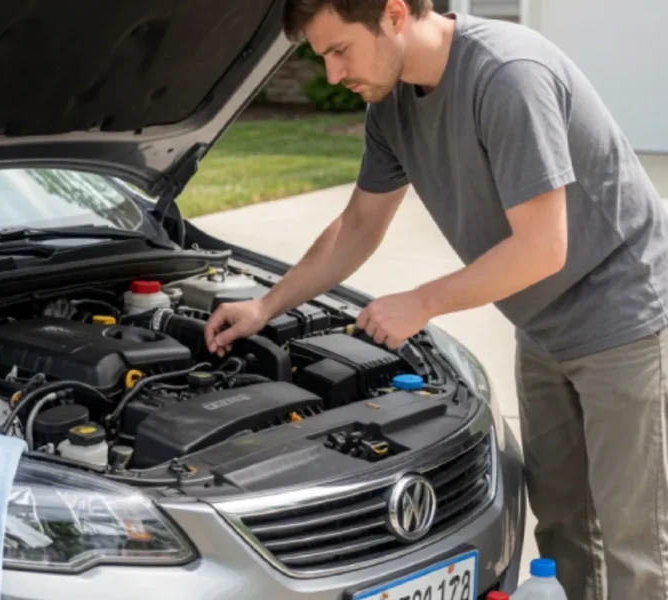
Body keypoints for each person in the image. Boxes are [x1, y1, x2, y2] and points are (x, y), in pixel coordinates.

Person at [203, 1, 668, 598]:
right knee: (563, 530)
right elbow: (357, 228)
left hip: (622, 317)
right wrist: (266, 307)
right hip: (542, 326)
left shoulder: (507, 76)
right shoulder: (391, 105)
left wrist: (421, 302)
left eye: (339, 50)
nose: (334, 75)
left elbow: (543, 249)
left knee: (636, 547)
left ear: (394, 14)